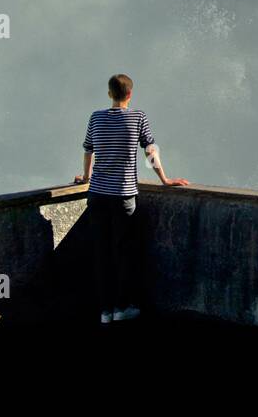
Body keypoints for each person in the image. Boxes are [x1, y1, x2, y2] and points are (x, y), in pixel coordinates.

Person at [74, 74, 189, 324]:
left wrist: (86, 177)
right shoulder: (138, 118)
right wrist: (164, 179)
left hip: (97, 195)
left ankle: (105, 311)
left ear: (109, 94)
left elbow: (88, 149)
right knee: (123, 253)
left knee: (102, 254)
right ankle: (122, 307)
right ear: (130, 95)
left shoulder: (96, 117)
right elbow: (150, 150)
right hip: (123, 197)